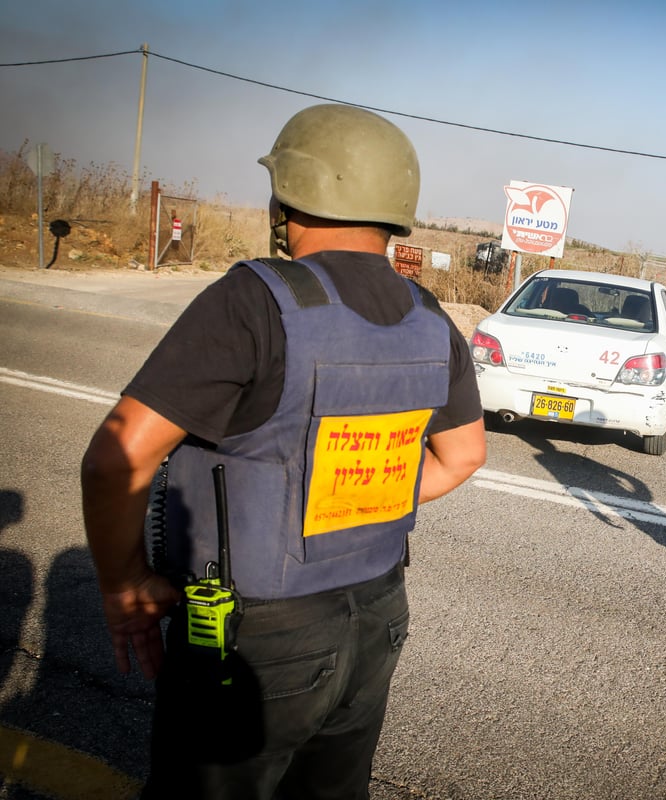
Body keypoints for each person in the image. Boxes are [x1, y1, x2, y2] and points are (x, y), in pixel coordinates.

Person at [80, 103, 487, 798]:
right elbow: (461, 456)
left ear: (291, 195)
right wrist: (347, 489)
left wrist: (124, 587)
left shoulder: (255, 299)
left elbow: (118, 459)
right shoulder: (429, 315)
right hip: (378, 619)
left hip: (259, 637)